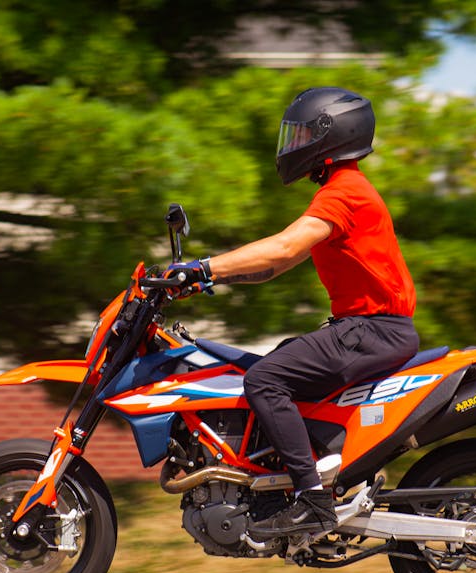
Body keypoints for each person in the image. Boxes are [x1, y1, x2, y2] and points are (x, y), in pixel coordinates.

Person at [167, 87, 419, 538]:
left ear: (331, 136)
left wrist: (203, 267)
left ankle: (313, 502)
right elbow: (275, 266)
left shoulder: (344, 193)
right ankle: (283, 485)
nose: (293, 145)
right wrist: (207, 280)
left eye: (301, 135)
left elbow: (283, 247)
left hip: (371, 329)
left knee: (264, 380)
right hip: (370, 329)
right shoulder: (345, 191)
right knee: (274, 364)